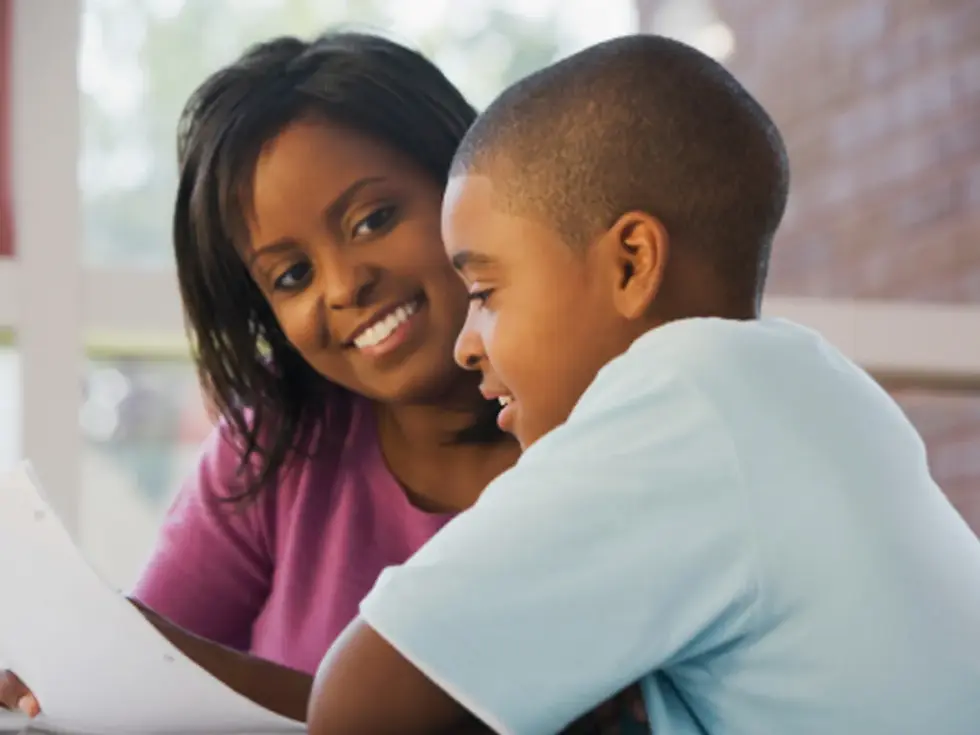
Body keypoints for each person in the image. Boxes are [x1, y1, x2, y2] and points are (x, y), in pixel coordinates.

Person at [306, 34, 980, 734]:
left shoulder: (684, 397)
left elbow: (359, 702)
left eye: (484, 290)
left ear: (631, 263)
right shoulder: (817, 386)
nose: (466, 344)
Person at [0, 32, 643, 732]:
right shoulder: (277, 440)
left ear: (471, 188)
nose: (345, 284)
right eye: (292, 276)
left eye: (374, 219)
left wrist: (142, 655)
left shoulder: (612, 439)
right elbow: (141, 677)